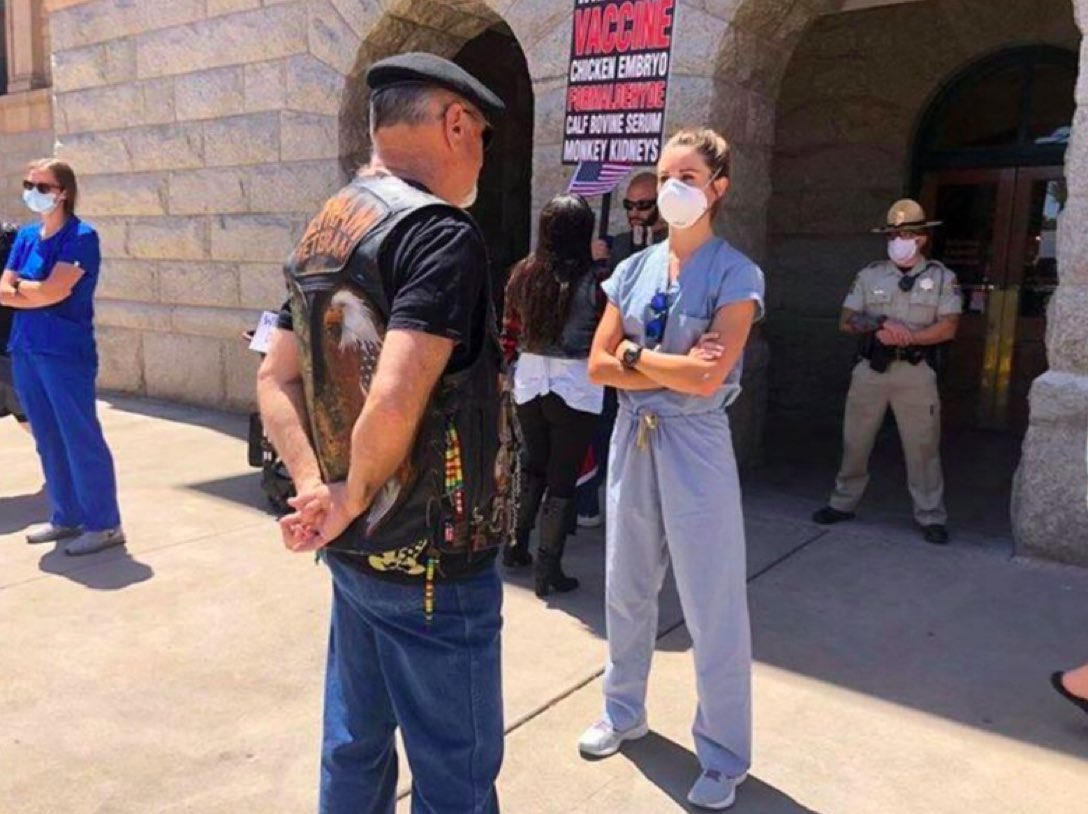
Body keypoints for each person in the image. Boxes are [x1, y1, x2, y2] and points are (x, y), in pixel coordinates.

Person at [256, 53, 511, 813]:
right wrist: (352, 492)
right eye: (483, 137)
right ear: (455, 122)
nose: (481, 158)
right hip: (432, 557)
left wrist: (319, 493)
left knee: (353, 749)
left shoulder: (323, 230)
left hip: (354, 552)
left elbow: (275, 377)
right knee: (454, 782)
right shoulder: (439, 233)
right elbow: (396, 392)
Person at [578, 127, 764, 811]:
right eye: (665, 176)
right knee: (626, 586)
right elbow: (598, 363)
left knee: (712, 603)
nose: (671, 190)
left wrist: (637, 357)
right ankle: (622, 712)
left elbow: (707, 383)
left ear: (718, 187)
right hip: (634, 436)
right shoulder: (631, 269)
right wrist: (658, 365)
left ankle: (723, 755)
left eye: (688, 176)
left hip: (695, 445)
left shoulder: (737, 273)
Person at [811, 199, 961, 545]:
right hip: (871, 370)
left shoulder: (941, 278)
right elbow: (846, 321)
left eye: (907, 233)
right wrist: (879, 322)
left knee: (922, 446)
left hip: (915, 371)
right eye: (894, 233)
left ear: (922, 238)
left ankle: (930, 515)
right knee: (855, 440)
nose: (900, 239)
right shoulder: (870, 274)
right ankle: (842, 502)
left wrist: (909, 336)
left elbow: (949, 327)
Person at [0, 159, 124, 556]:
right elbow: (4, 288)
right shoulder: (25, 237)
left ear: (63, 192)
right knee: (47, 438)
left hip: (64, 351)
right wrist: (30, 290)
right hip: (26, 348)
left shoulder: (81, 236)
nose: (33, 191)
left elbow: (57, 291)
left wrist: (27, 289)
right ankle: (65, 515)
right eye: (28, 183)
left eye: (42, 185)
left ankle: (104, 523)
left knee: (79, 434)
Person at [501, 193, 604, 596]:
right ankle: (549, 570)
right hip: (576, 384)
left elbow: (509, 330)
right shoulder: (596, 281)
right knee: (562, 477)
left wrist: (508, 368)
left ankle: (514, 547)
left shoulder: (522, 273)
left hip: (528, 378)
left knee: (532, 467)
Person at [576, 172, 666, 527]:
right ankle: (590, 498)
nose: (635, 212)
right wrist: (591, 259)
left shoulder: (677, 247)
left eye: (644, 205)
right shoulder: (619, 245)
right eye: (630, 205)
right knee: (603, 429)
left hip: (657, 364)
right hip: (616, 362)